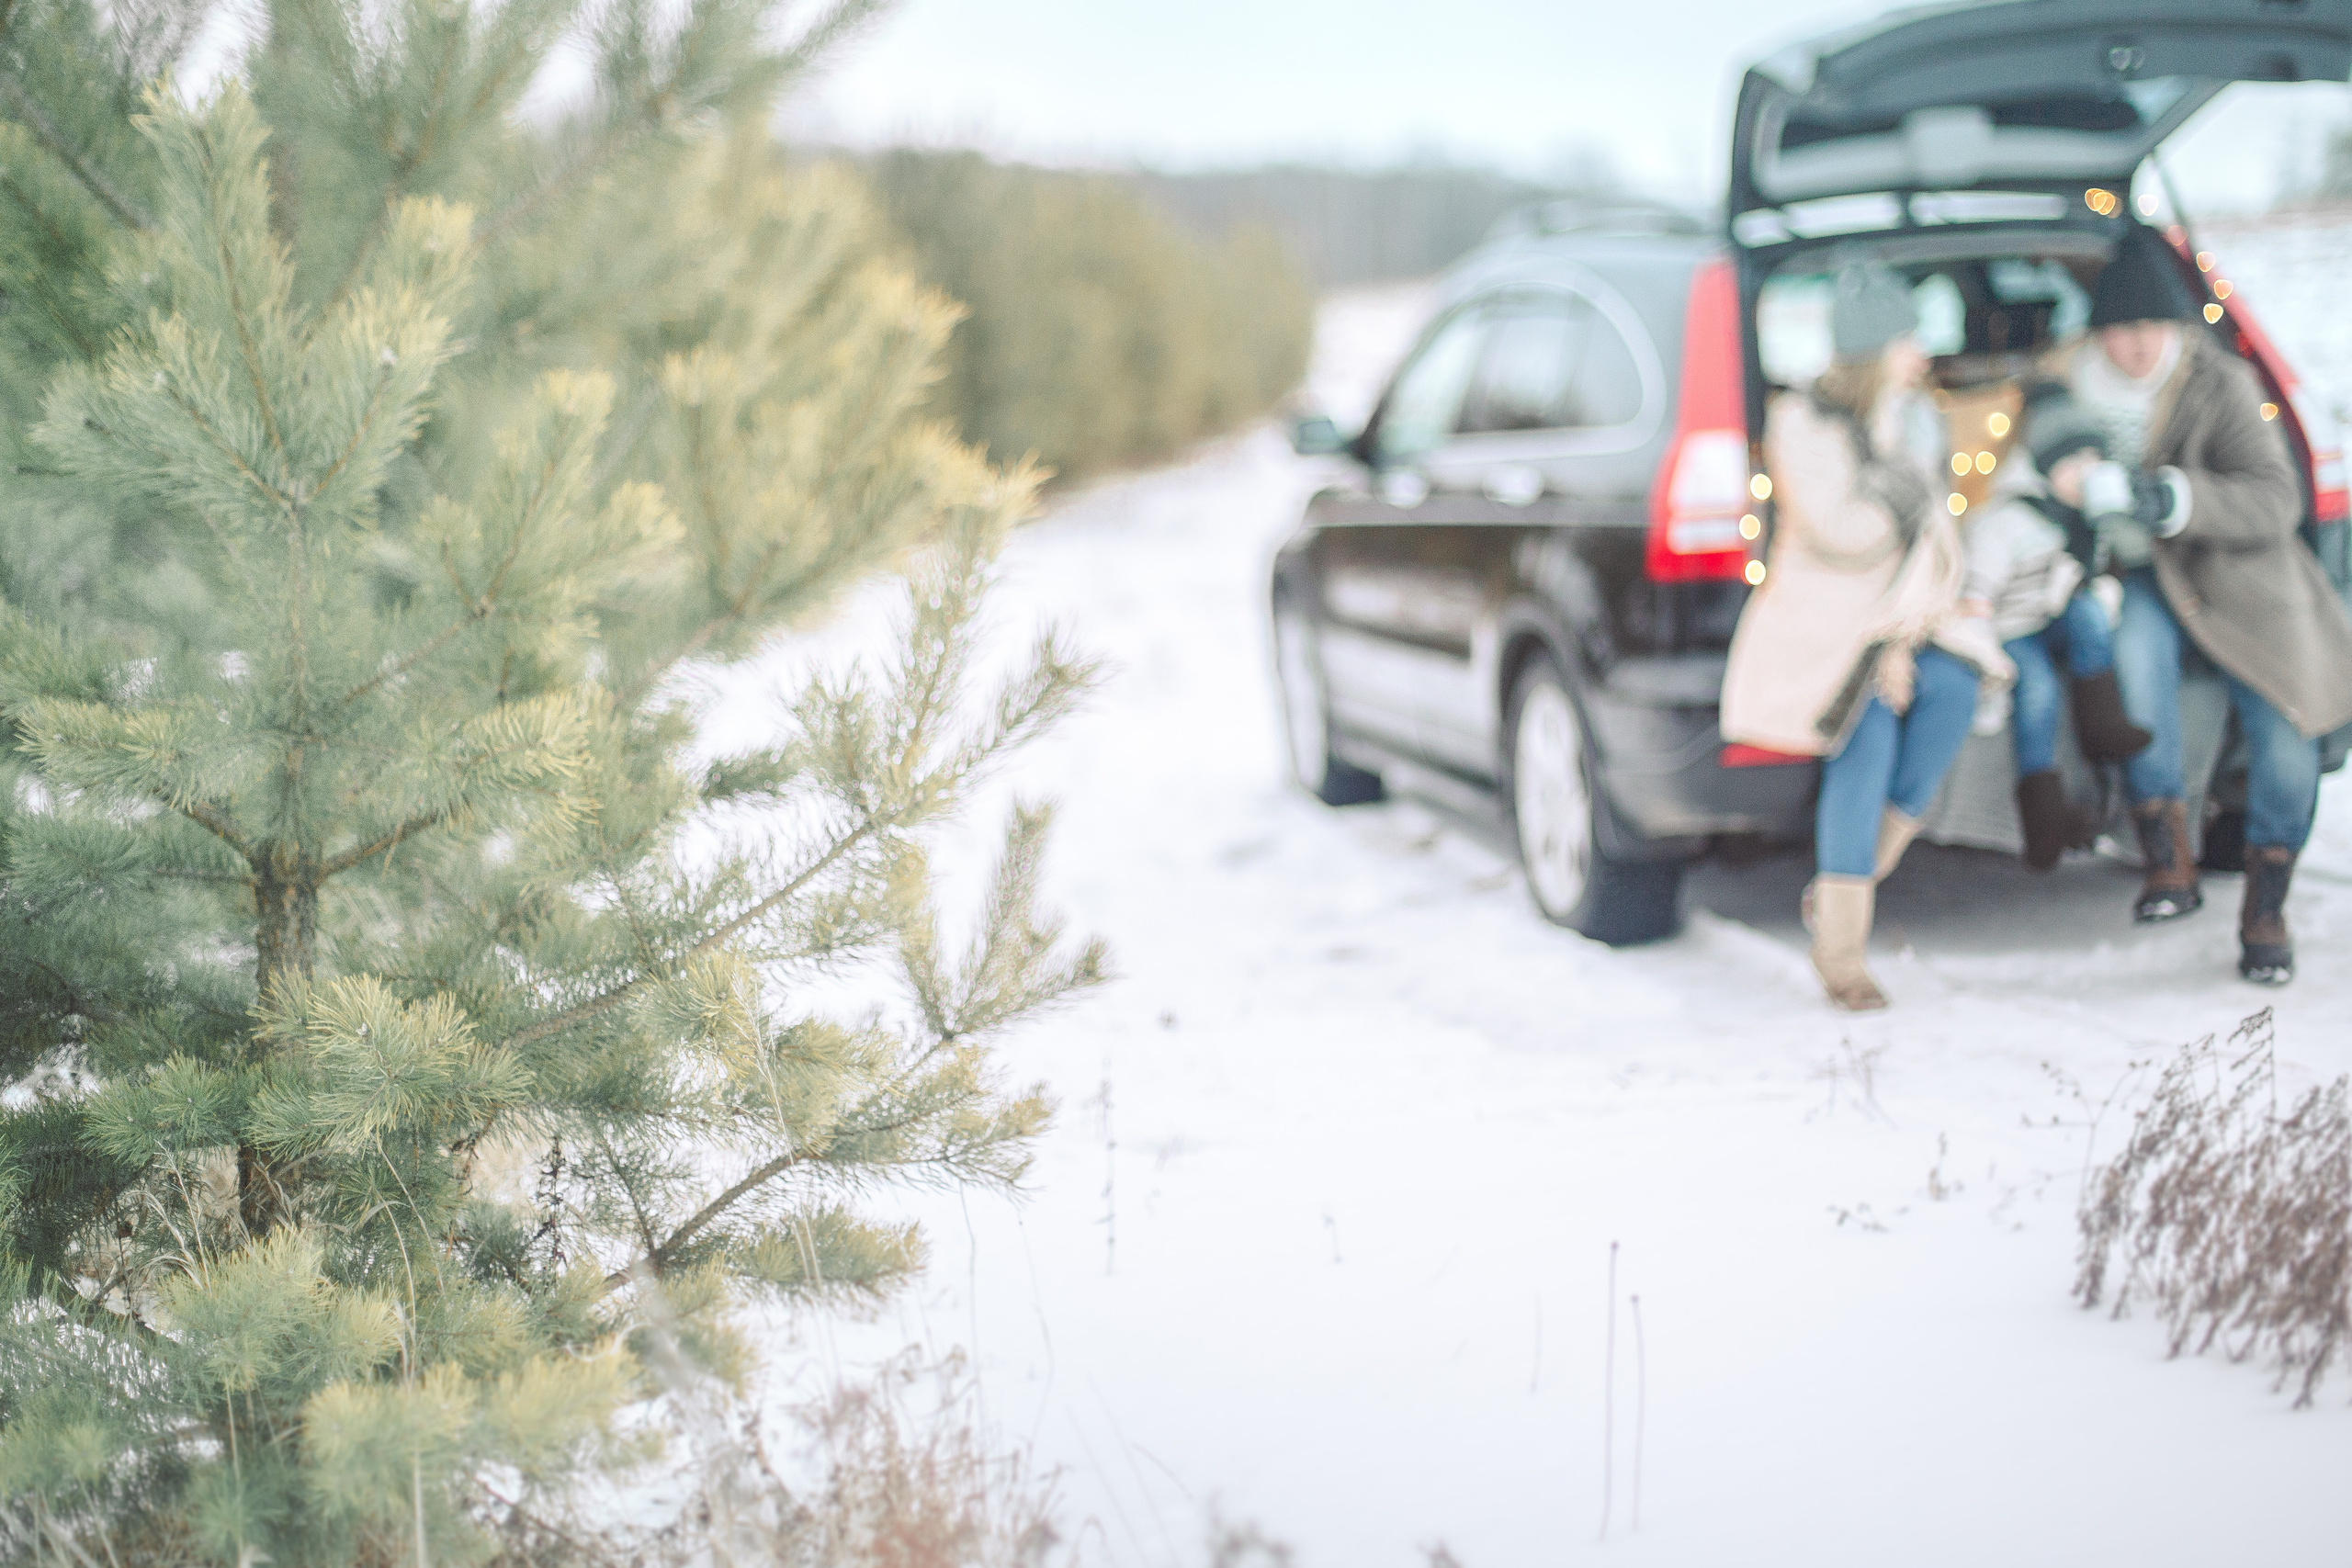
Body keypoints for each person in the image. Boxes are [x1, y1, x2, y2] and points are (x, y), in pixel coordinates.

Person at [2055, 225, 2352, 984]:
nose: (2137, 347)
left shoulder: (2219, 383)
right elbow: (2026, 438)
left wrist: (2172, 498)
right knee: (2135, 658)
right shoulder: (2066, 383)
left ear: (2177, 327)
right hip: (2151, 582)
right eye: (2120, 330)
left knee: (2284, 725)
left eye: (2152, 328)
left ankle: (2266, 907)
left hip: (2245, 581)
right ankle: (2168, 859)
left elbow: (2276, 499)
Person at [1722, 265, 2011, 1011]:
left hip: (1911, 608)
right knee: (1868, 727)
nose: (1921, 354)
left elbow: (1936, 532)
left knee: (1952, 690)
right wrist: (1906, 493)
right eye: (1909, 339)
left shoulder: (1914, 415)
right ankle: (1841, 953)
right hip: (1828, 615)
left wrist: (1906, 634)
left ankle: (1843, 886)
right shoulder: (1805, 421)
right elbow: (1844, 530)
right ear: (1874, 349)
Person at [1959, 385, 2152, 868]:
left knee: (2088, 614)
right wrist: (1987, 659)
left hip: (2056, 619)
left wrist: (2098, 595)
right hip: (2012, 630)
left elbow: (2104, 576)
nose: (2083, 476)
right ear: (2044, 466)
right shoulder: (2009, 520)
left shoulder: (2091, 521)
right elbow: (1977, 593)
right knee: (2038, 693)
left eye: (2092, 462)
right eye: (2071, 464)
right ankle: (2042, 817)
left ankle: (2102, 724)